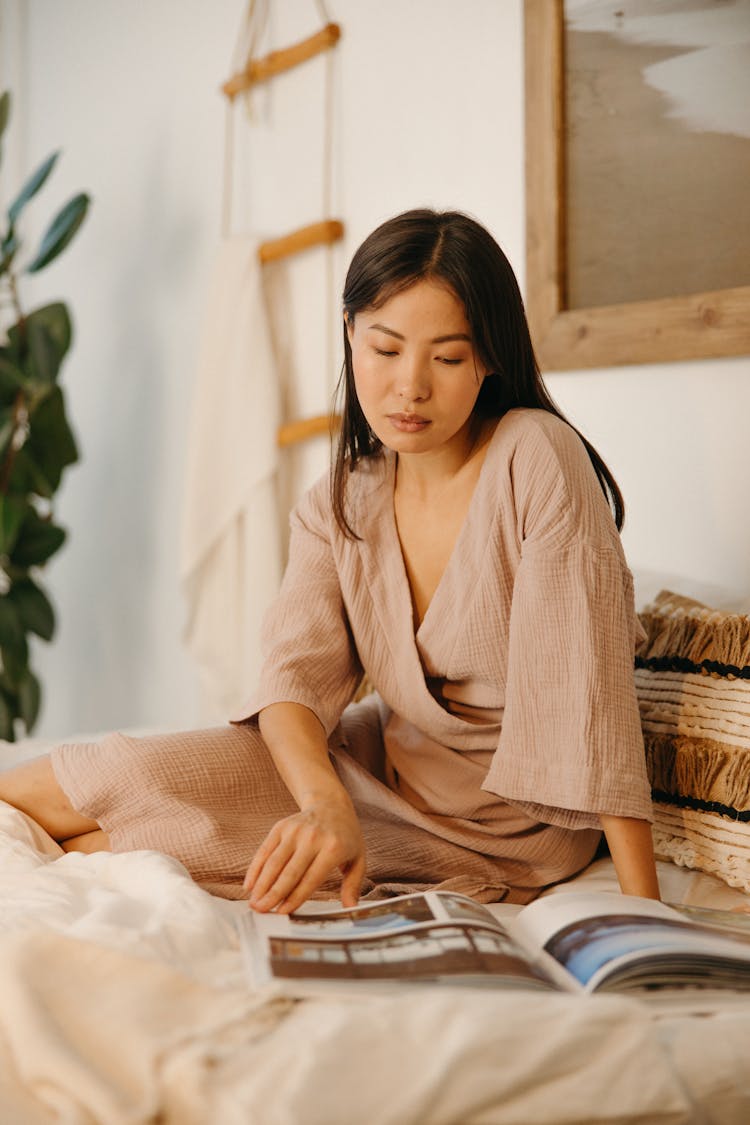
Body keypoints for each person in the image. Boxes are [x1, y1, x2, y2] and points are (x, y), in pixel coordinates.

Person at [0, 209, 659, 912]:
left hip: (506, 826)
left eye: (447, 356)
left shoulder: (536, 455)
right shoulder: (344, 496)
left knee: (112, 846)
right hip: (373, 768)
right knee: (110, 772)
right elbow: (292, 678)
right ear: (350, 335)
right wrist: (323, 800)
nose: (410, 387)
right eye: (385, 348)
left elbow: (594, 702)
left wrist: (648, 916)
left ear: (490, 358)